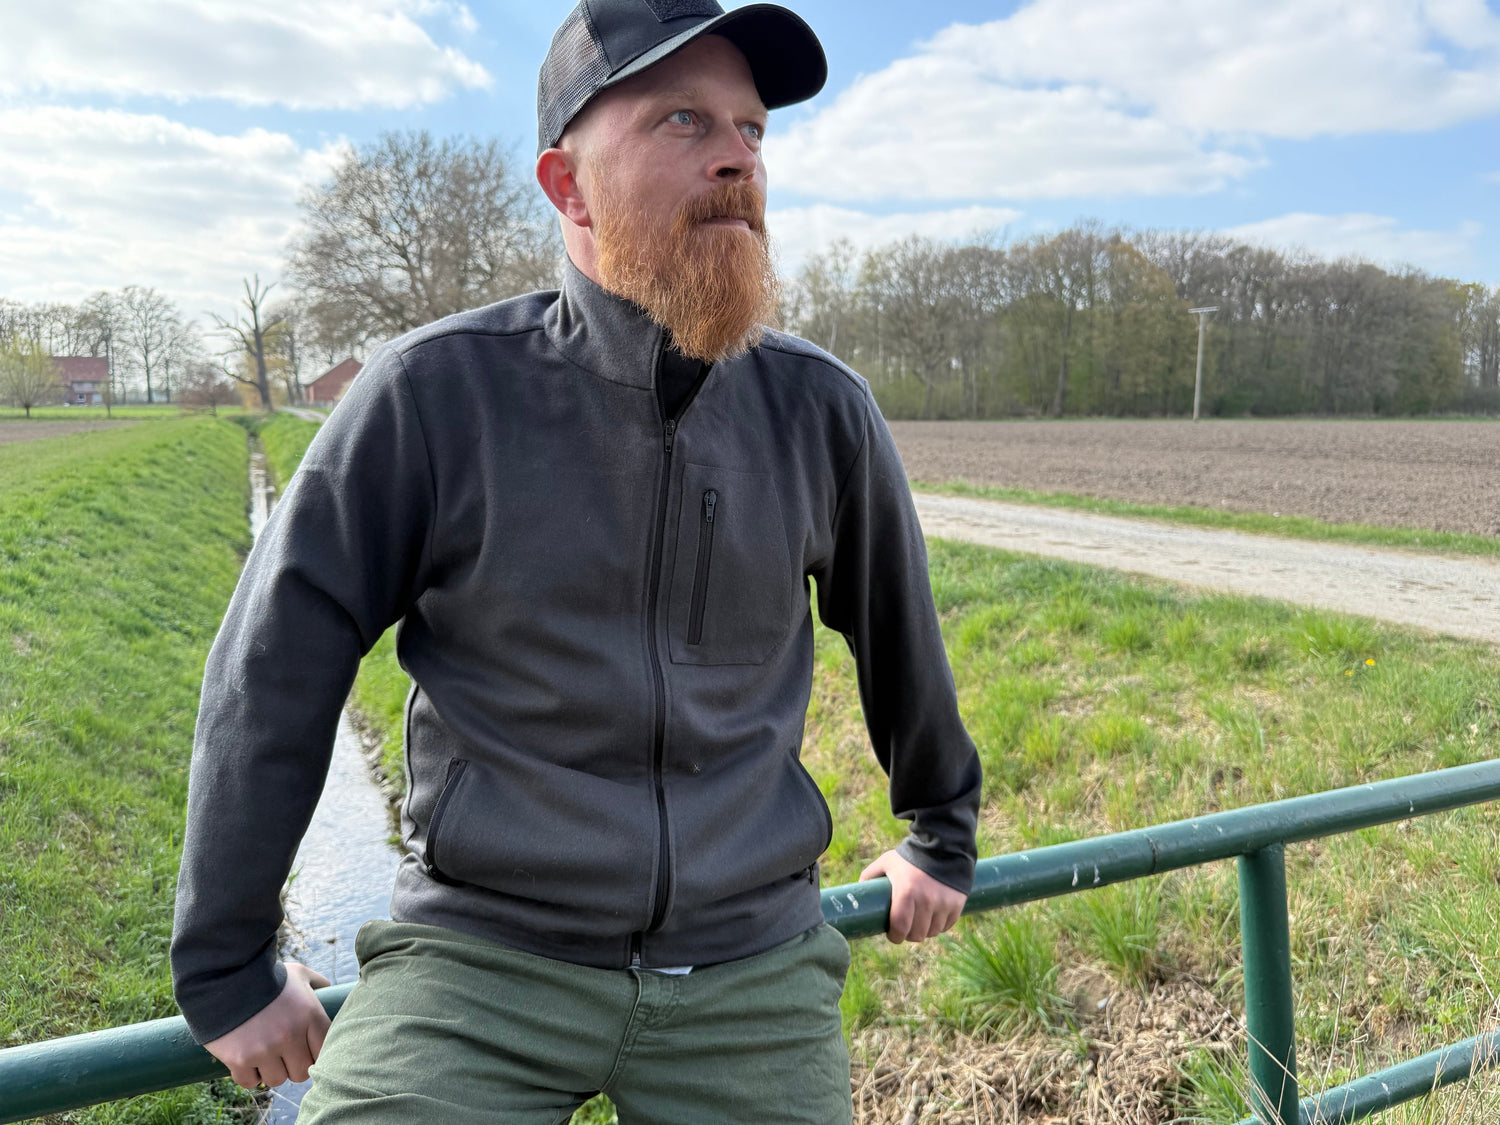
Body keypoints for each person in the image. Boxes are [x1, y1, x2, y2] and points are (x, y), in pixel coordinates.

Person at [169, 1, 982, 1121]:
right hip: (479, 962)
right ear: (567, 185)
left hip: (752, 970)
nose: (738, 156)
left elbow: (903, 636)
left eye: (753, 129)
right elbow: (273, 670)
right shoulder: (432, 396)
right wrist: (227, 963)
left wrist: (942, 833)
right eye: (685, 121)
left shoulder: (820, 410)